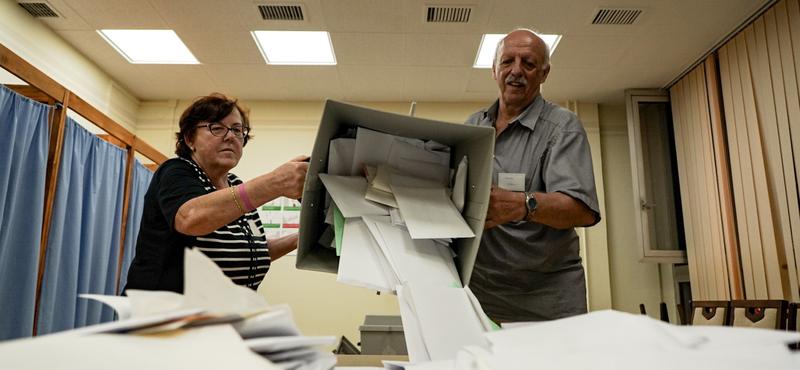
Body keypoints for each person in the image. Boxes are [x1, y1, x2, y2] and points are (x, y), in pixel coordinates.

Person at [465, 29, 601, 322]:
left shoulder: (562, 127)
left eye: (528, 63)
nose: (516, 71)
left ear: (544, 73)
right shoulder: (474, 126)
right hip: (481, 290)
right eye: (507, 61)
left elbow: (581, 210)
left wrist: (522, 205)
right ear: (494, 70)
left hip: (547, 295)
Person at [125, 93, 308, 293]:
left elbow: (250, 253)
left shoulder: (236, 185)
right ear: (189, 139)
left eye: (237, 130)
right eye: (217, 128)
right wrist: (275, 182)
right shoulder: (176, 171)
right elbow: (191, 218)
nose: (230, 136)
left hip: (221, 314)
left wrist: (301, 238)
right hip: (163, 316)